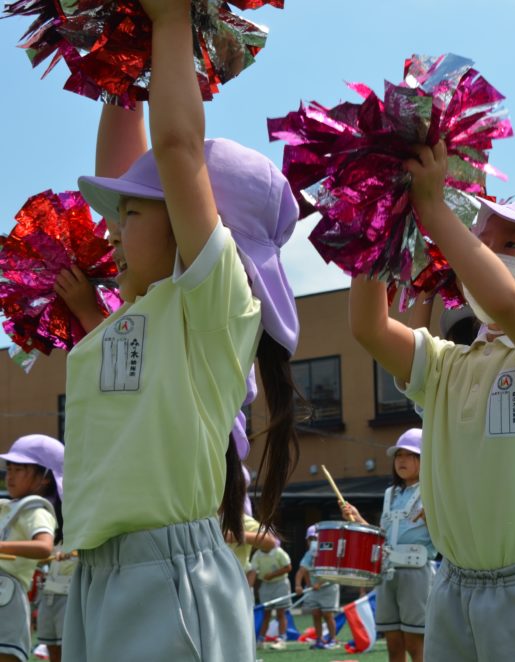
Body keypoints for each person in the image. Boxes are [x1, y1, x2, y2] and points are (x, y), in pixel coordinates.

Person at [61, 1, 302, 658]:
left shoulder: (212, 304)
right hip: (100, 571)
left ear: (200, 224)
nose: (112, 230)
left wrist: (170, 19)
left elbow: (176, 148)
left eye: (133, 214)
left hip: (165, 578)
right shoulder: (140, 312)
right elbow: (135, 165)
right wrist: (125, 60)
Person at [350, 141, 515, 661]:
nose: (483, 252)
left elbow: (506, 300)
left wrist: (433, 208)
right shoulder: (446, 362)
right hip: (453, 586)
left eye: (509, 244)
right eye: (482, 242)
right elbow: (369, 328)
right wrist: (380, 223)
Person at [341, 429, 435, 662]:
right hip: (387, 572)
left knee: (415, 642)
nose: (402, 460)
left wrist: (434, 518)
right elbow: (382, 537)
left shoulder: (434, 491)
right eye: (398, 455)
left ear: (425, 459)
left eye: (410, 455)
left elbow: (448, 533)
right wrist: (358, 518)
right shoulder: (390, 494)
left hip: (417, 572)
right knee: (393, 643)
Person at [0, 435, 62, 662]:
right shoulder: (9, 507)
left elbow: (44, 546)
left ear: (45, 478)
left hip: (7, 597)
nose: (10, 476)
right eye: (9, 469)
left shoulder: (36, 511)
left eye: (19, 470)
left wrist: (2, 546)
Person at [295, 525, 341, 651]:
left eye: (315, 539)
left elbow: (331, 572)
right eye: (310, 539)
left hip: (329, 588)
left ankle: (333, 639)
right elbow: (302, 571)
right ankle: (319, 639)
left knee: (327, 614)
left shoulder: (328, 552)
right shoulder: (308, 554)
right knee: (315, 614)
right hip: (314, 590)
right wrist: (299, 585)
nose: (313, 542)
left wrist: (319, 584)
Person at [251, 544, 293, 650]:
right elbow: (253, 572)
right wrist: (249, 588)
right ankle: (260, 640)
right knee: (266, 614)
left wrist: (272, 575)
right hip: (265, 585)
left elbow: (288, 567)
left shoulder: (279, 552)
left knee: (281, 613)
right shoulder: (257, 555)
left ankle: (282, 639)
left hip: (280, 584)